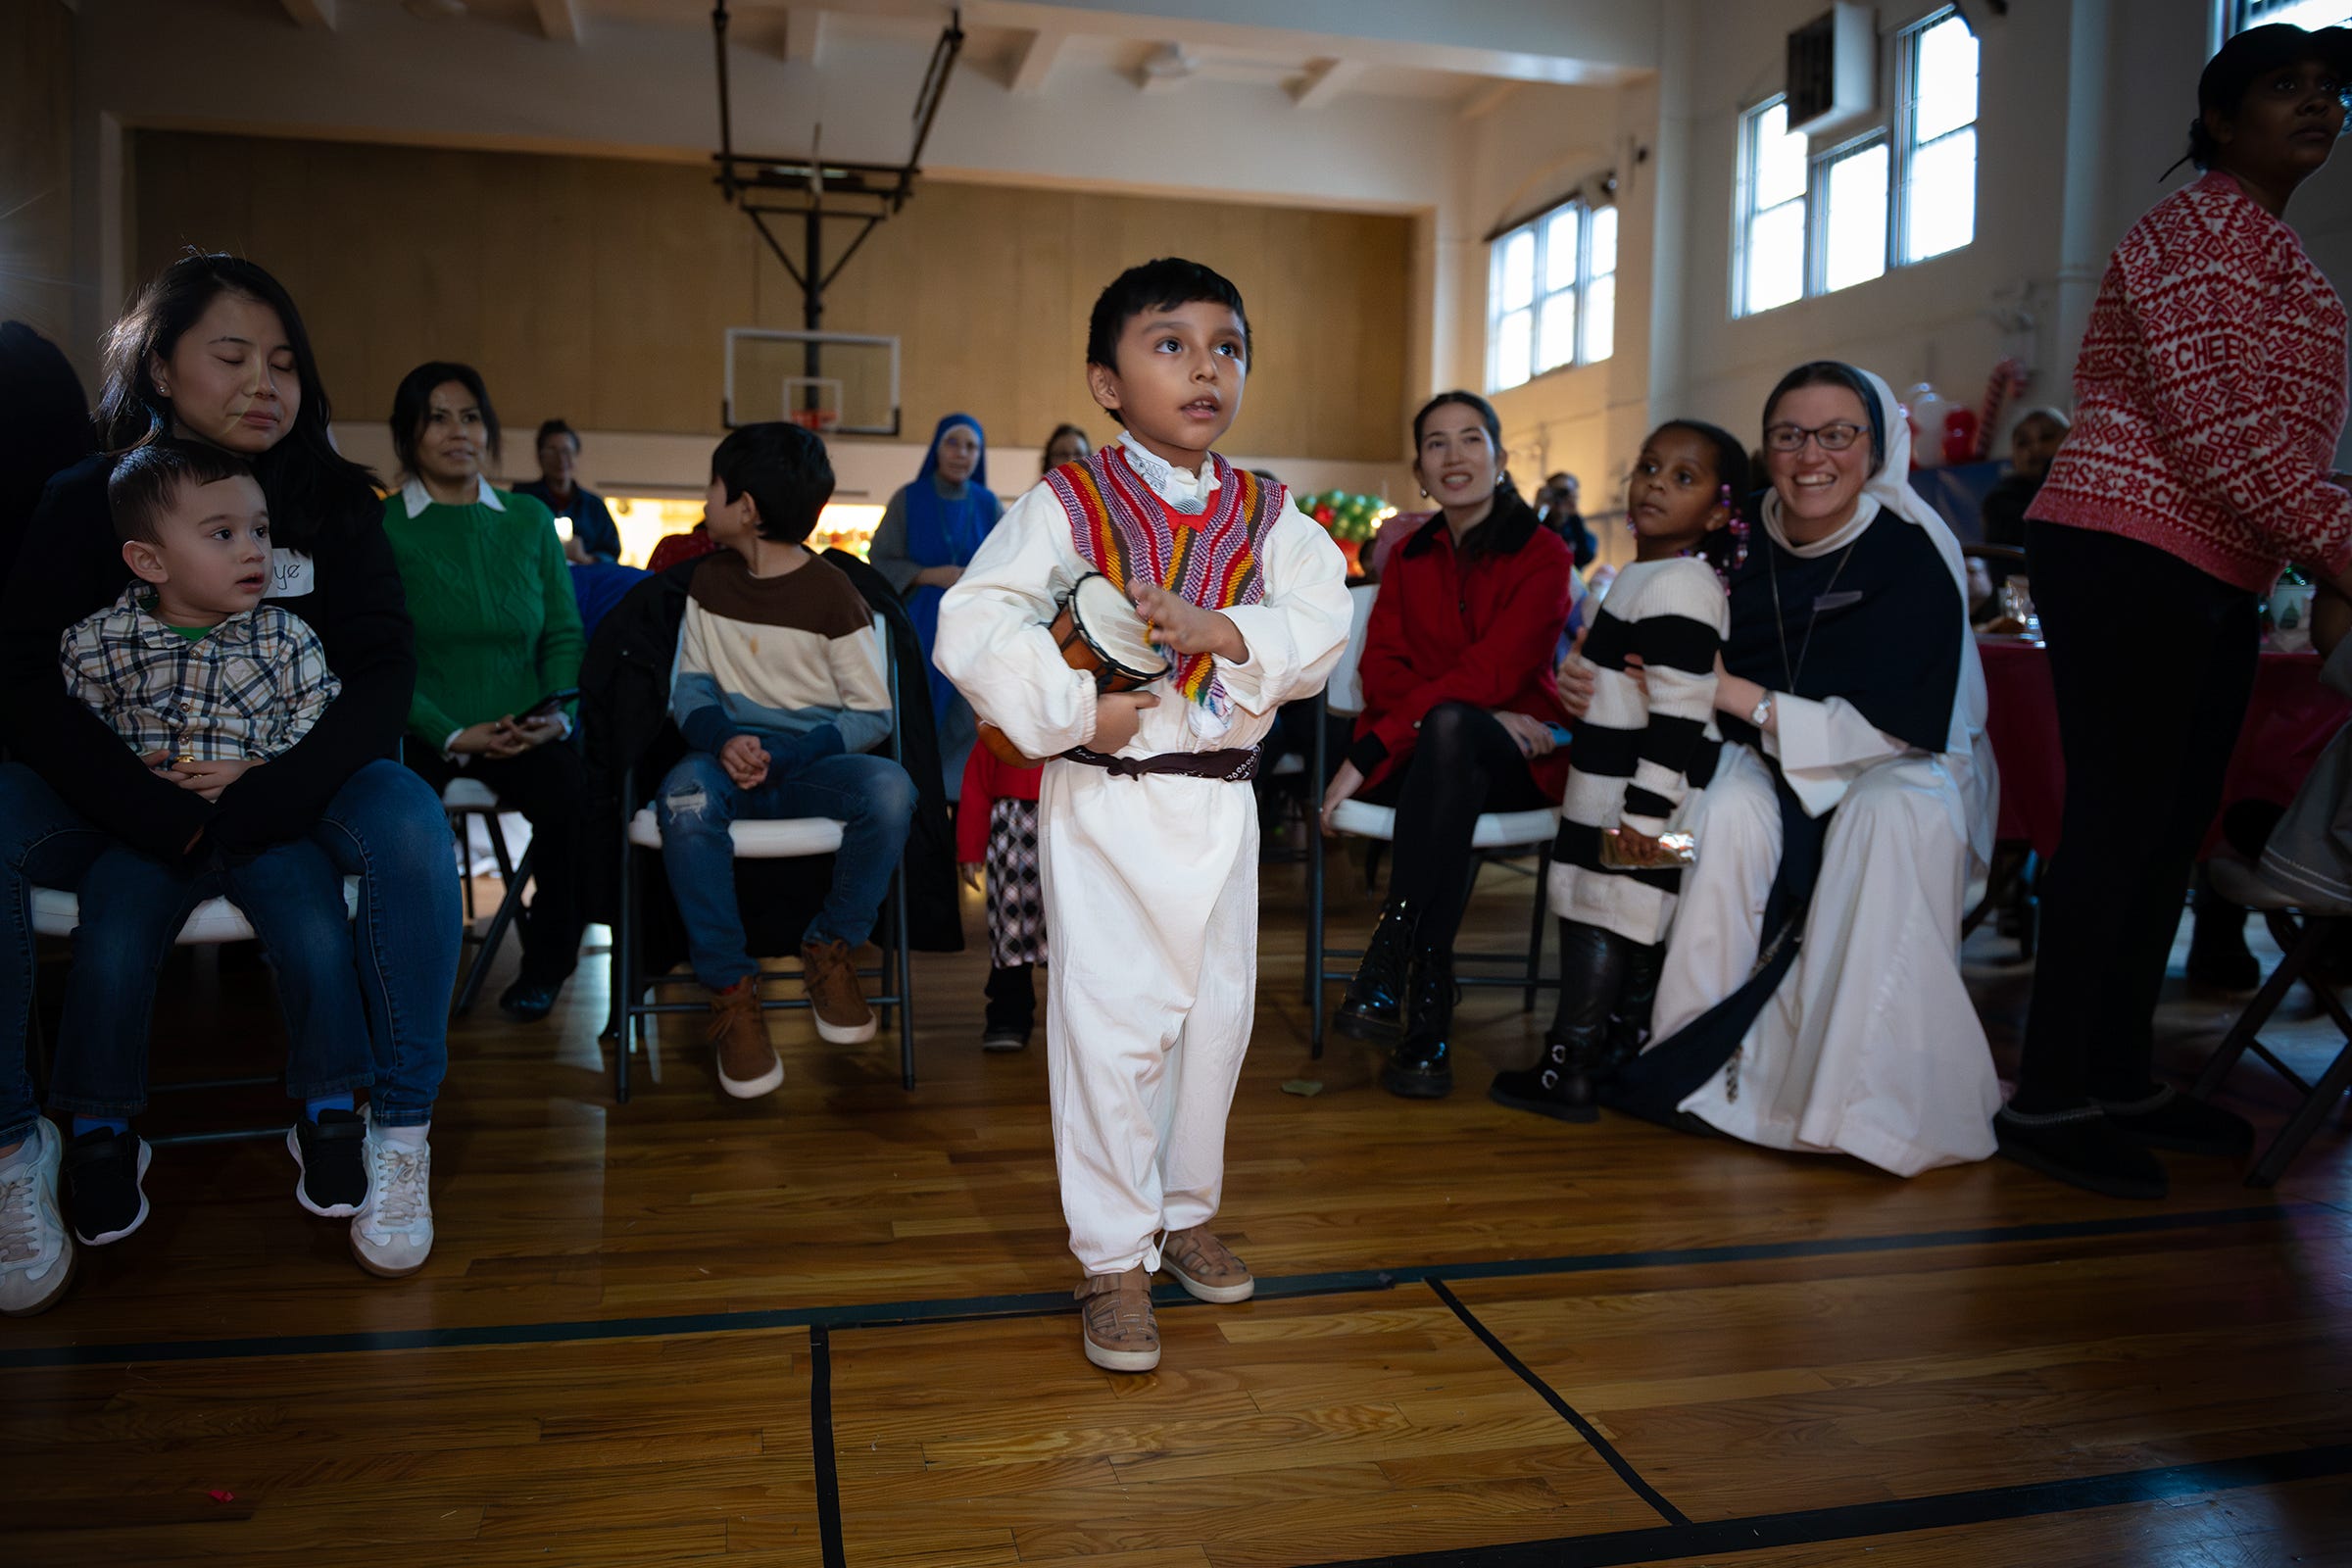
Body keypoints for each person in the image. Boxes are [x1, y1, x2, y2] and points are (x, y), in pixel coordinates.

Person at [1, 255, 459, 1312]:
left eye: (284, 362)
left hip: (289, 781)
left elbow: (381, 671)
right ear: (161, 369)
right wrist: (151, 808)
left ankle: (397, 1127)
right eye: (233, 356)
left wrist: (267, 795)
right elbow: (27, 681)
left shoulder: (335, 503)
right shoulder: (84, 500)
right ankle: (16, 1145)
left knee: (407, 814)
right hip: (118, 790)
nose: (264, 383)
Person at [935, 258, 1350, 1373]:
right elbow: (974, 624)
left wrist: (1224, 628)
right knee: (1112, 1028)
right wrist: (1081, 711)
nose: (1206, 367)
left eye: (1227, 347)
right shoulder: (1066, 503)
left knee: (1215, 1026)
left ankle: (1183, 1210)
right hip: (1110, 801)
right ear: (1106, 383)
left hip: (1222, 803)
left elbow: (1323, 621)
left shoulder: (1270, 510)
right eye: (1171, 344)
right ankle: (1114, 1256)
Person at [2003, 23, 2352, 1200]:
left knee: (2170, 830)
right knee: (2118, 823)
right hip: (2129, 542)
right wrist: (2344, 544)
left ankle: (2117, 1074)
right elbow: (2220, 432)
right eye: (2284, 85)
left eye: (2330, 88)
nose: (2317, 103)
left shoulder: (2266, 242)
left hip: (2210, 561)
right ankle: (2050, 1094)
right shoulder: (2200, 228)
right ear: (2218, 120)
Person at [1565, 362, 2001, 1177]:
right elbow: (1645, 627)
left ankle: (1858, 1102)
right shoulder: (1732, 538)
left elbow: (1904, 727)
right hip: (1754, 757)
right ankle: (1685, 1060)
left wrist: (1736, 694)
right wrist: (1587, 674)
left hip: (1890, 764)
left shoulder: (1910, 555)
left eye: (1837, 435)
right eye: (1789, 436)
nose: (1811, 456)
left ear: (1876, 448)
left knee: (1890, 815)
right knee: (1711, 820)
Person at [49, 442, 373, 1247]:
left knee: (317, 934)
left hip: (267, 829)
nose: (253, 550)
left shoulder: (287, 640)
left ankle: (331, 1113)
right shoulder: (97, 644)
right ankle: (100, 1131)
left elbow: (318, 725)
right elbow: (73, 741)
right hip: (150, 836)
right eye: (222, 534)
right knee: (110, 945)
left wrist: (260, 768)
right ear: (149, 561)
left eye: (259, 530)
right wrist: (127, 776)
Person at [1322, 391, 1577, 1100]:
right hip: (1428, 759)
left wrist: (1372, 750)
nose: (1455, 455)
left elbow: (1498, 669)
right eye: (1437, 443)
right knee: (1450, 730)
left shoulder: (1544, 553)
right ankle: (1428, 985)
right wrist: (1466, 712)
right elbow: (1382, 671)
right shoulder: (1410, 555)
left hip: (1519, 761)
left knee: (1454, 728)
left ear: (1500, 457)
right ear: (1420, 471)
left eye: (1471, 439)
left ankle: (1394, 952)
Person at [1493, 422, 1746, 1122]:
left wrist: (1645, 815)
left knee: (1602, 913)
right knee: (1611, 913)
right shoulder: (1644, 576)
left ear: (1719, 513)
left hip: (1637, 800)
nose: (1657, 484)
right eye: (1649, 467)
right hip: (1613, 790)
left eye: (1684, 478)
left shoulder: (1683, 583)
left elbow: (1681, 710)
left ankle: (1568, 1067)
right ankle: (1610, 1056)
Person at [652, 422, 914, 1099]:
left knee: (890, 790)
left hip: (807, 767)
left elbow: (872, 715)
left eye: (713, 485)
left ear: (745, 508)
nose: (704, 498)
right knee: (682, 798)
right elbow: (690, 691)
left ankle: (830, 947)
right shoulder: (708, 583)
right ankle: (730, 990)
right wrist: (723, 739)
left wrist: (791, 751)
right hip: (724, 762)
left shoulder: (834, 595)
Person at [382, 361, 589, 1024]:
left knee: (574, 797)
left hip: (523, 725)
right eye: (437, 418)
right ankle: (403, 973)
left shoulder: (529, 519)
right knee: (391, 814)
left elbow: (563, 634)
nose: (458, 431)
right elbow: (380, 659)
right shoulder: (383, 527)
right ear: (407, 433)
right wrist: (448, 731)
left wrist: (557, 716)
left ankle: (548, 963)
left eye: (470, 417)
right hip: (422, 728)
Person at [868, 415, 1002, 799]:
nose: (962, 453)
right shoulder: (908, 499)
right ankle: (915, 801)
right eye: (953, 443)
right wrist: (928, 575)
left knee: (964, 720)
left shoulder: (988, 504)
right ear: (936, 449)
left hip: (973, 635)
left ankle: (959, 803)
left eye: (971, 446)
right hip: (918, 630)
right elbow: (880, 560)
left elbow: (1009, 562)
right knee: (918, 714)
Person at [957, 741, 1046, 1052]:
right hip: (1012, 833)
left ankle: (1083, 1017)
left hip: (1071, 823)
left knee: (1073, 928)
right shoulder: (998, 730)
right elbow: (976, 786)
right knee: (1010, 926)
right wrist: (970, 848)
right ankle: (1009, 1011)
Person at [513, 418, 622, 565]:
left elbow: (611, 553)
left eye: (566, 451)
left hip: (583, 577)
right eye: (552, 451)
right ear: (539, 456)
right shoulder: (523, 499)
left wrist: (584, 558)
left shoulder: (594, 506)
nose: (561, 459)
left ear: (576, 455)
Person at [1977, 408, 2069, 552]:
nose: (2035, 448)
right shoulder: (1999, 501)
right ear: (2013, 458)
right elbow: (2042, 536)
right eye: (2023, 443)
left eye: (2046, 437)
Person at [1540, 470, 1598, 570]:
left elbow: (1585, 556)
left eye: (1565, 492)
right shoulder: (1540, 525)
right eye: (1557, 492)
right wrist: (1538, 508)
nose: (1560, 497)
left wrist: (1574, 514)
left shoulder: (1581, 533)